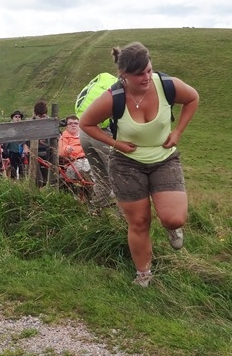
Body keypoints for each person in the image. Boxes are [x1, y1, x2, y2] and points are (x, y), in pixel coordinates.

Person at [79, 42, 199, 287]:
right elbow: (86, 123)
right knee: (139, 221)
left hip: (164, 158)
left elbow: (193, 98)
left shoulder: (167, 85)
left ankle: (172, 228)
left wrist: (177, 132)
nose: (146, 77)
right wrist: (115, 144)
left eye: (148, 70)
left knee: (174, 217)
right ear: (124, 75)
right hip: (126, 164)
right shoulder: (114, 97)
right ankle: (143, 275)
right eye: (139, 74)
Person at [75, 72, 119, 209]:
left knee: (101, 178)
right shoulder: (121, 86)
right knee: (121, 176)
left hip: (84, 131)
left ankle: (95, 213)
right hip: (100, 131)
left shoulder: (102, 79)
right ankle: (124, 221)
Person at [58, 115, 91, 180]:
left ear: (79, 125)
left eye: (76, 123)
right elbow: (61, 152)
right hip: (73, 162)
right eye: (70, 123)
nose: (73, 125)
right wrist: (67, 150)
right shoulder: (64, 137)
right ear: (66, 126)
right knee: (88, 168)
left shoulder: (85, 135)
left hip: (88, 159)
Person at [3, 110, 28, 179]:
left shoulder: (23, 129)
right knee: (13, 169)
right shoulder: (9, 128)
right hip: (12, 152)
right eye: (16, 117)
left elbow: (25, 141)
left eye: (19, 117)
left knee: (22, 170)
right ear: (12, 118)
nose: (17, 118)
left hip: (21, 152)